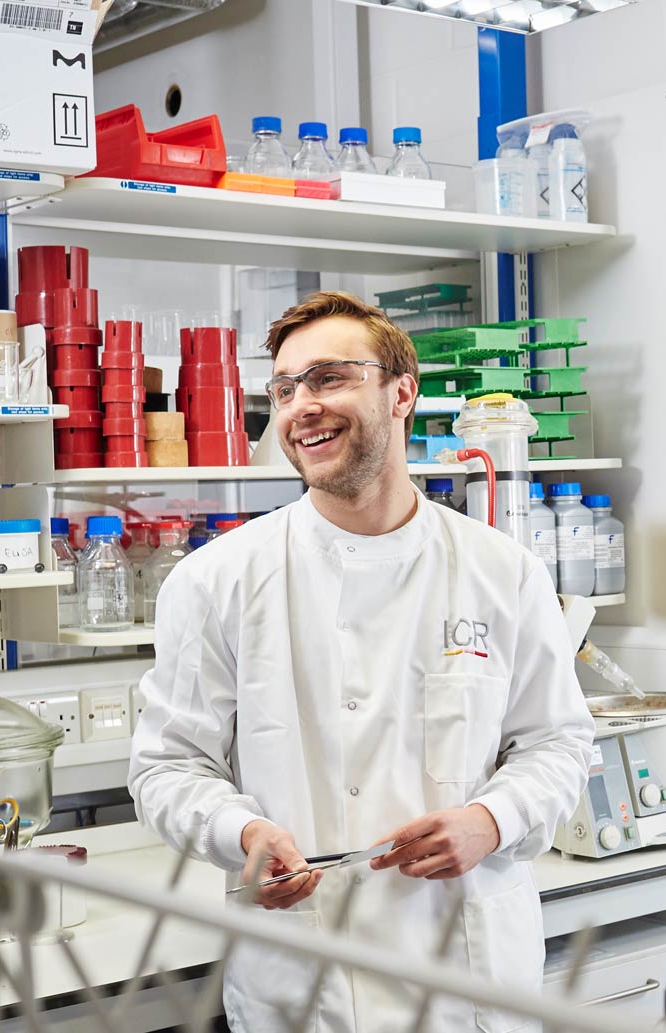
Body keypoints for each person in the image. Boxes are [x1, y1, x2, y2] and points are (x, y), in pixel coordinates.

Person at [129, 292, 593, 1033]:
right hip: (301, 985)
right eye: (283, 390)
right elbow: (166, 767)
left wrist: (491, 819)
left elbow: (559, 743)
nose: (300, 406)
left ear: (401, 392)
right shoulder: (216, 580)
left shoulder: (502, 571)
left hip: (468, 981)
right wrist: (241, 837)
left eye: (328, 378)